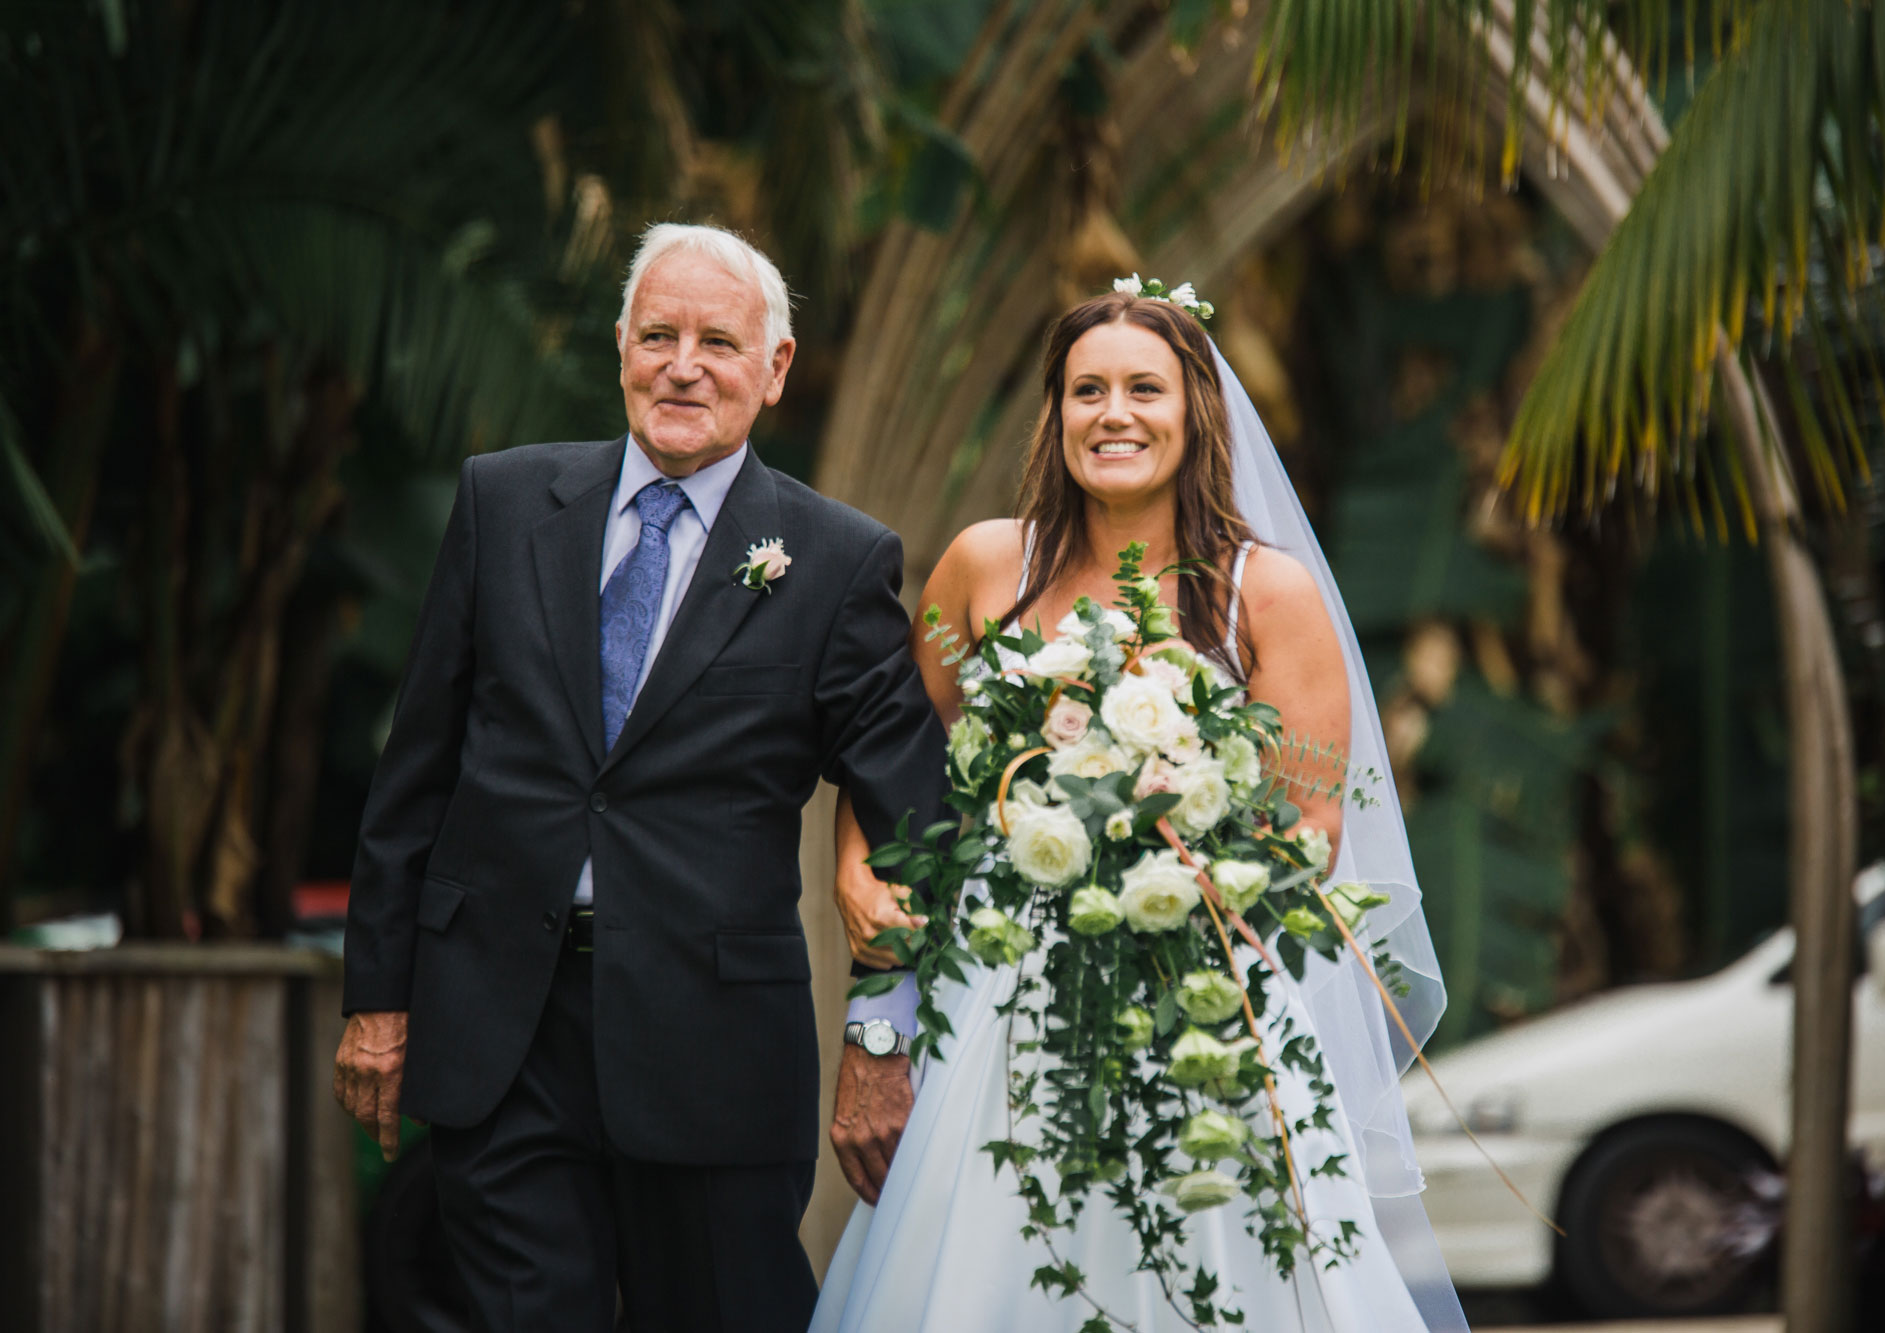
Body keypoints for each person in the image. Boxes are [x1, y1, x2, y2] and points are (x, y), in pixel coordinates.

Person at [333, 222, 947, 1333]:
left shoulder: (838, 560)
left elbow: (914, 816)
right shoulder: (503, 503)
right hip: (498, 1028)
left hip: (711, 1048)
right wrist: (378, 995)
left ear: (775, 369)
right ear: (619, 345)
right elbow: (415, 769)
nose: (681, 364)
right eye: (657, 333)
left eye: (717, 340)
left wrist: (881, 1033)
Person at [817, 286, 1469, 1330]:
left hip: (1201, 1003)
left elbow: (1307, 831)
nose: (1112, 413)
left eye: (1141, 389)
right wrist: (854, 865)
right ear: (1055, 415)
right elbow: (889, 765)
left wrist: (1161, 869)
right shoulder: (987, 565)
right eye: (1086, 390)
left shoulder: (1268, 593)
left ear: (1194, 410)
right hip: (1002, 1000)